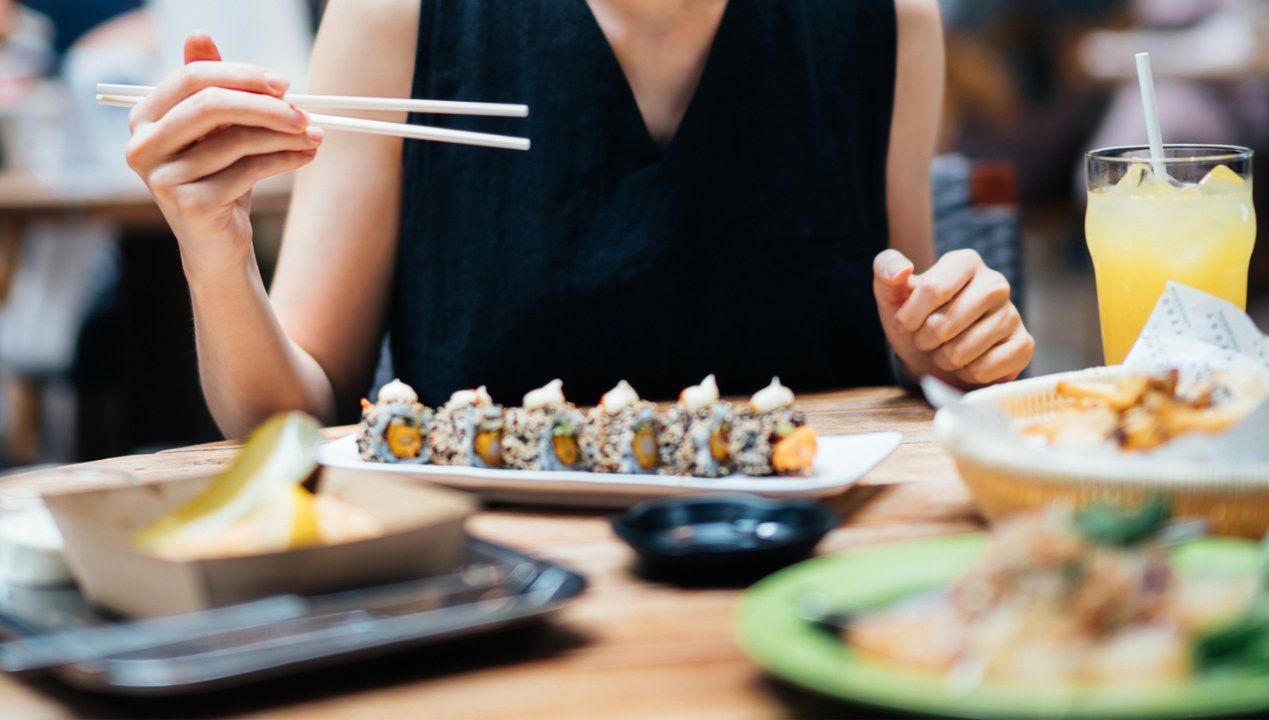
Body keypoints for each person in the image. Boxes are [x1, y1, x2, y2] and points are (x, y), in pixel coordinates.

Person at [124, 0, 1034, 437]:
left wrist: (942, 340)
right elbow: (285, 414)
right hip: (488, 576)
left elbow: (907, 331)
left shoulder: (883, 19)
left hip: (797, 551)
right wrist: (216, 248)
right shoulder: (401, 13)